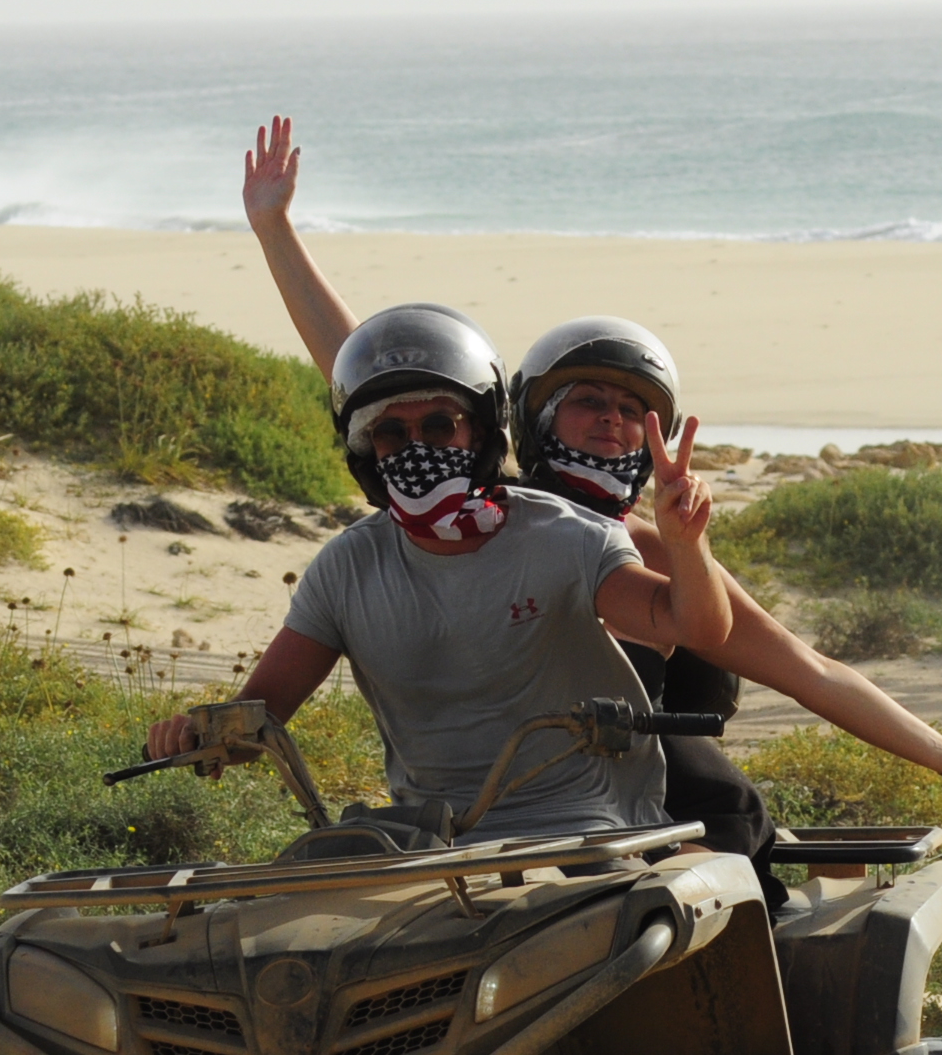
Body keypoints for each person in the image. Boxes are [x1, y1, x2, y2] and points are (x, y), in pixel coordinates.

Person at [228, 117, 942, 844]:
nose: (611, 422)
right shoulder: (477, 499)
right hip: (476, 803)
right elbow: (373, 371)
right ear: (527, 420)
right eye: (587, 403)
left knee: (720, 799)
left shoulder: (638, 541)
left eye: (634, 410)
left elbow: (808, 671)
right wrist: (275, 230)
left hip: (609, 787)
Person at [140, 303, 732, 844]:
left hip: (586, 828)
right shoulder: (348, 567)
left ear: (478, 433)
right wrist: (196, 736)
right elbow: (257, 719)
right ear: (368, 451)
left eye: (440, 426)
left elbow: (695, 625)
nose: (416, 445)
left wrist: (686, 544)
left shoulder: (568, 537)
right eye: (391, 433)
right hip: (430, 838)